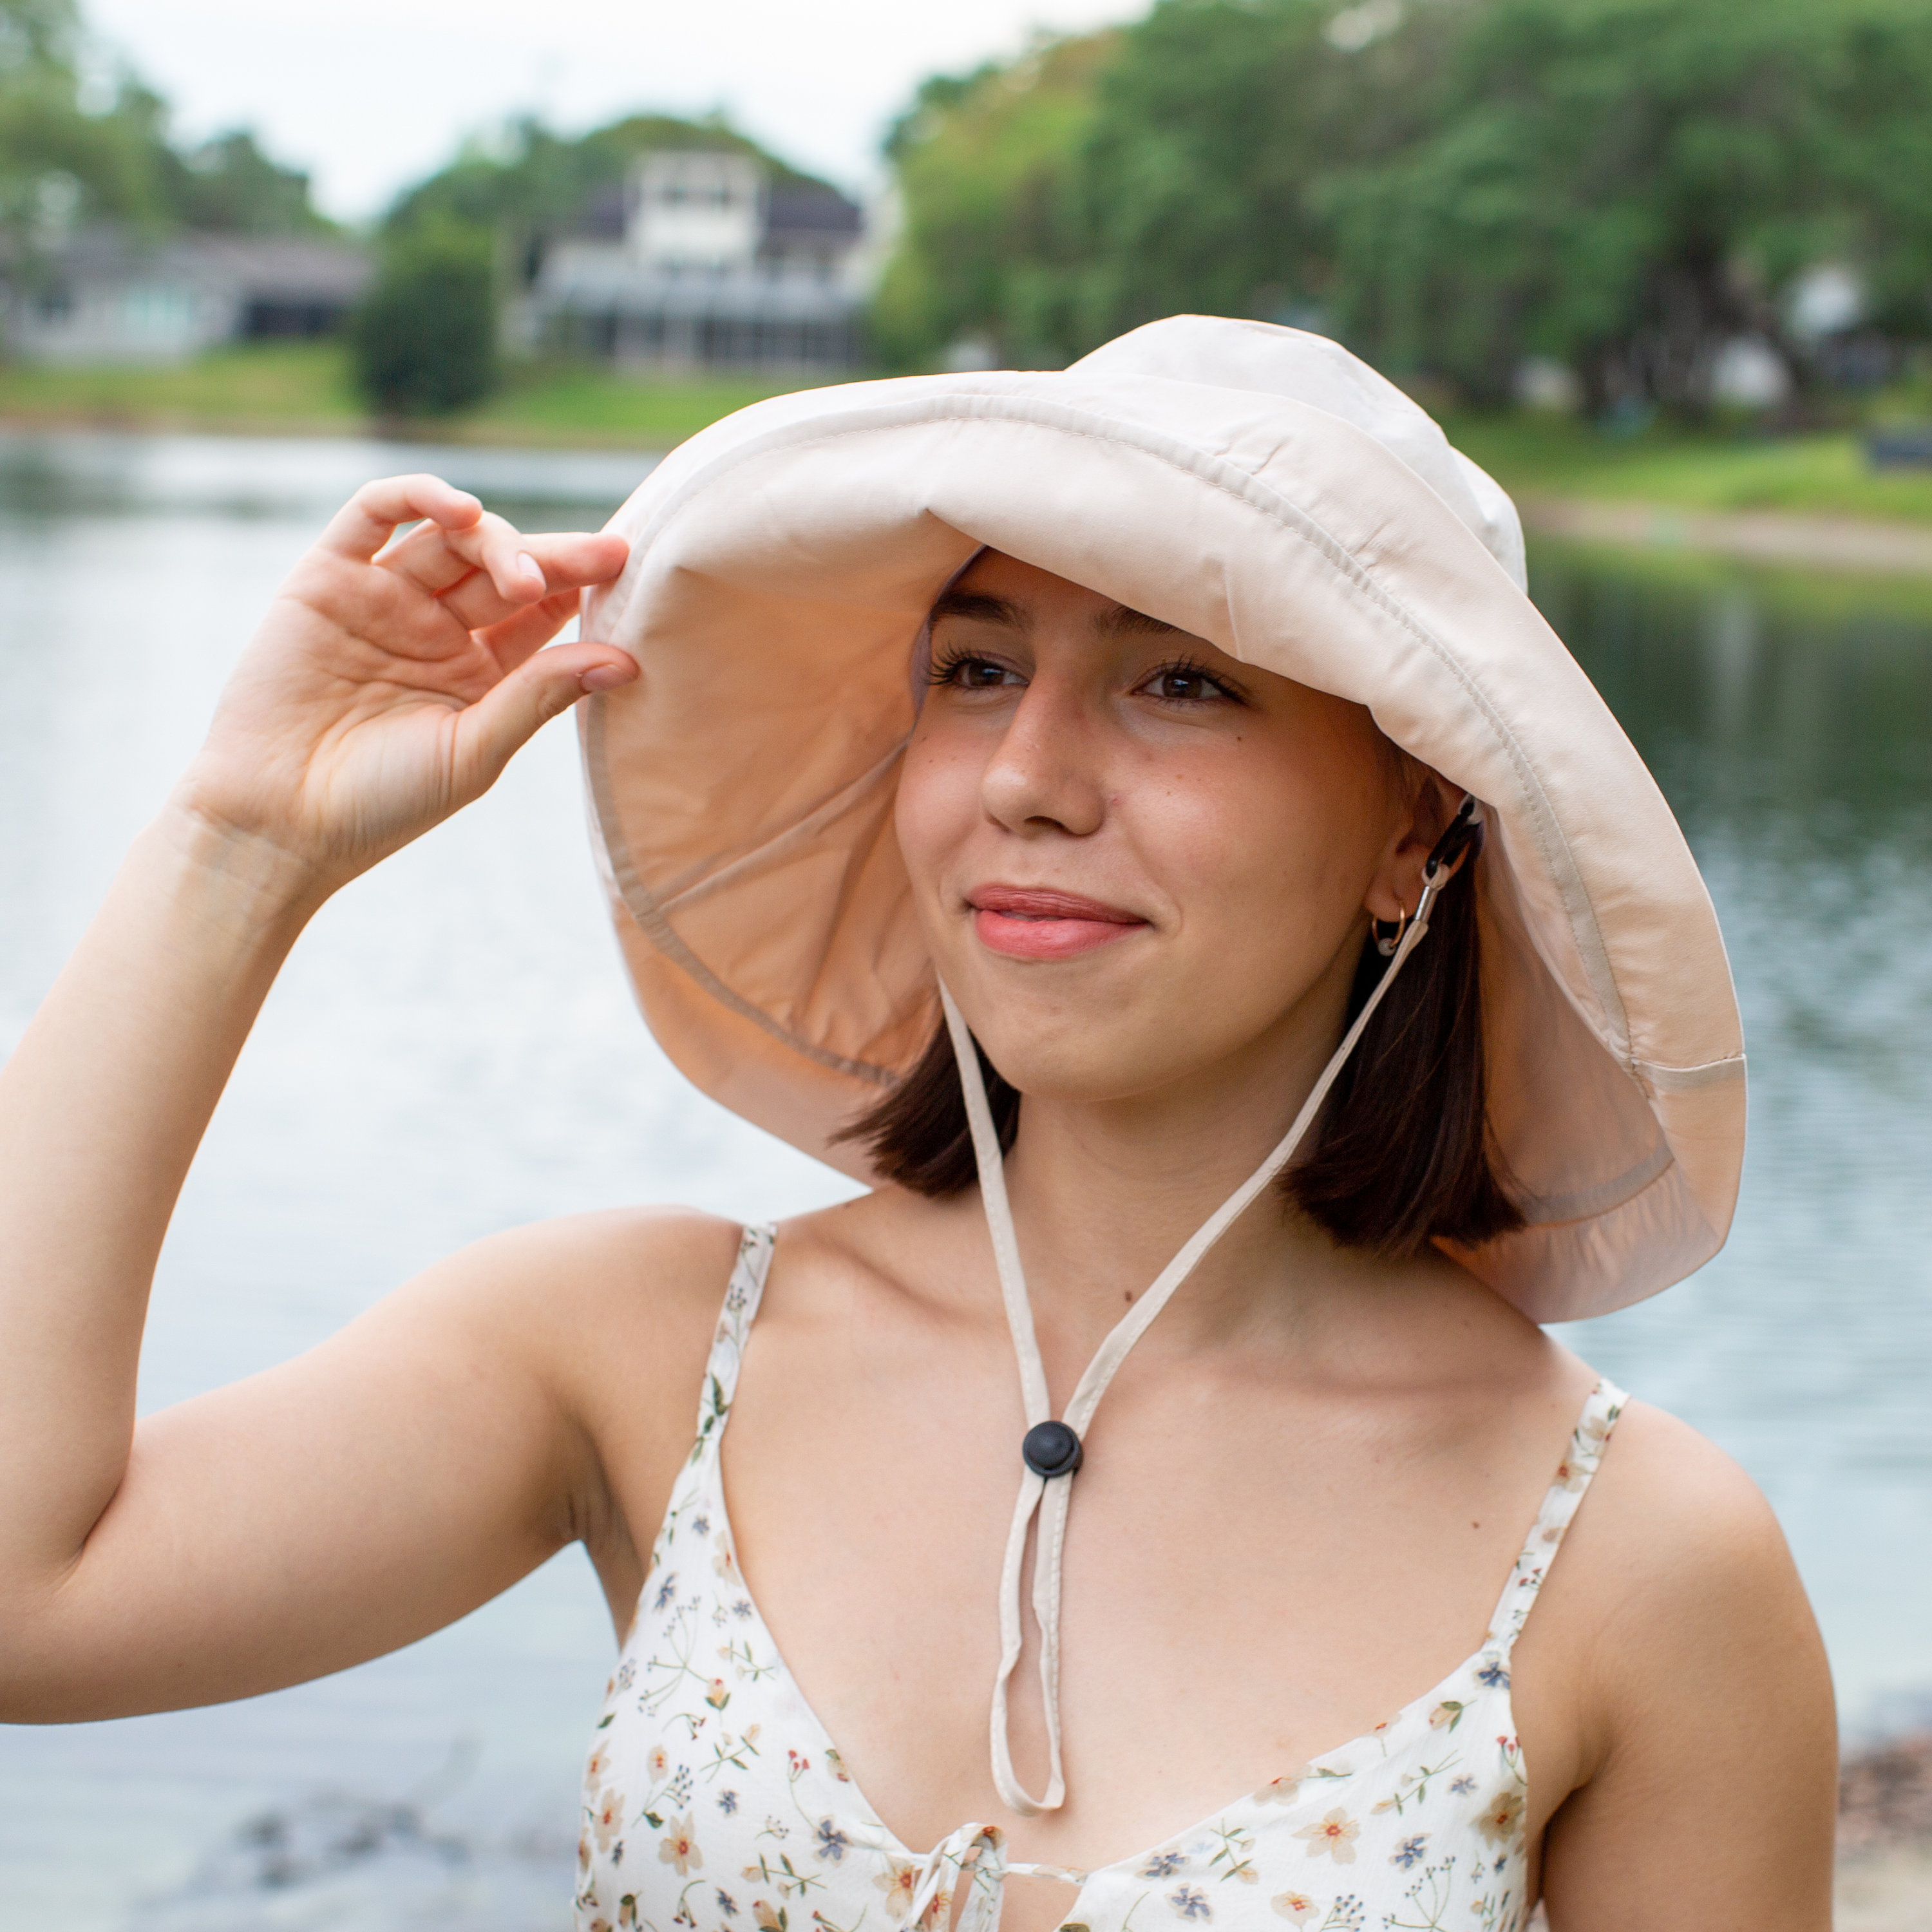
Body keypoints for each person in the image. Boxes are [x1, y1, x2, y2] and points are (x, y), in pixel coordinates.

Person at [0, 318, 1834, 1932]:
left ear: (1413, 829)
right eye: (975, 669)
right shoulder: (641, 1353)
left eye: (1180, 679)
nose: (1030, 778)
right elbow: (30, 1602)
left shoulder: (1634, 1560)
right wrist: (243, 847)